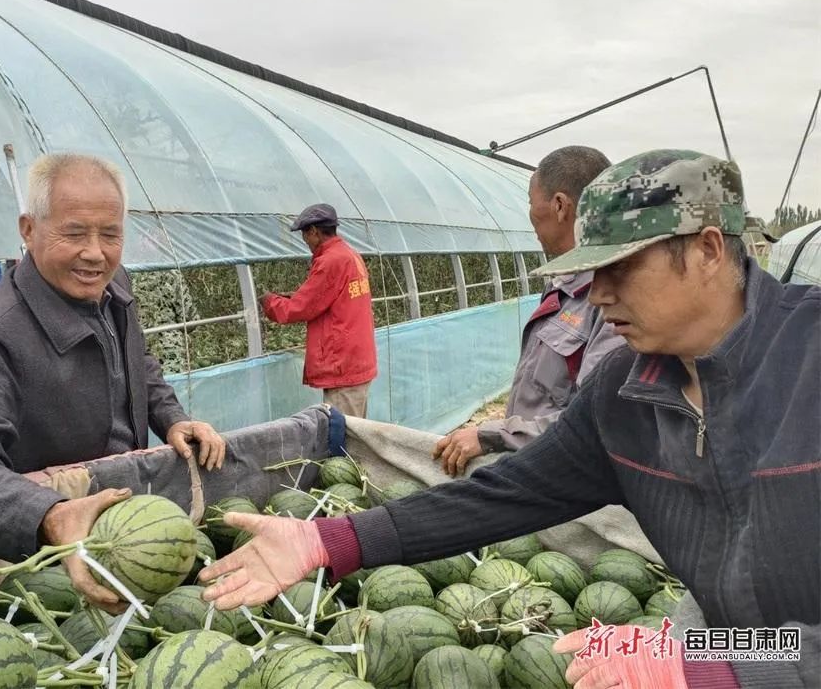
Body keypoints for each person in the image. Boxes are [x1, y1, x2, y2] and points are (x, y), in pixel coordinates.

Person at [202, 150, 820, 688]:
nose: (598, 293)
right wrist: (329, 539)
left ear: (708, 249)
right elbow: (508, 492)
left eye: (620, 267)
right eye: (592, 269)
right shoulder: (623, 392)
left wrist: (723, 670)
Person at [0, 153, 226, 612]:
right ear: (28, 229)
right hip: (48, 565)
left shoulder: (112, 283)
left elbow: (137, 360)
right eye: (75, 232)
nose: (95, 253)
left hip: (126, 532)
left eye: (110, 234)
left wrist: (172, 418)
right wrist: (49, 514)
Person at [434, 145, 624, 475]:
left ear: (561, 206)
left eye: (530, 202)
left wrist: (494, 435)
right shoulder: (561, 283)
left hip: (567, 483)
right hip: (531, 469)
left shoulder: (612, 300)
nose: (530, 215)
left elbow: (596, 418)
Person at [259, 203, 377, 417]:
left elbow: (300, 308)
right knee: (358, 431)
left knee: (344, 437)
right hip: (356, 359)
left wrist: (269, 302)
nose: (305, 241)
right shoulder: (349, 254)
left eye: (305, 235)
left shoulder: (331, 261)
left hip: (342, 364)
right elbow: (326, 298)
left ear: (313, 231)